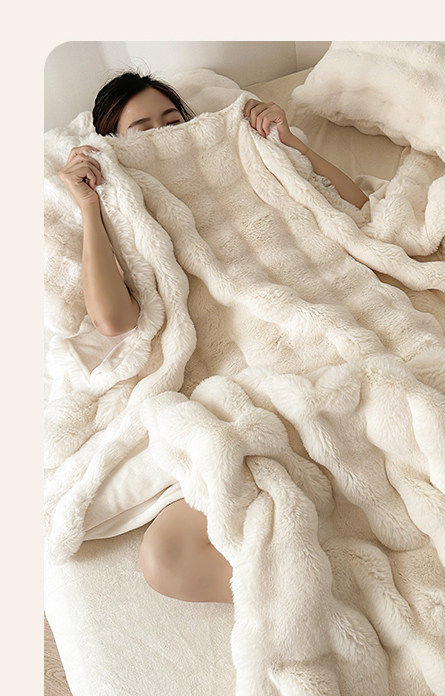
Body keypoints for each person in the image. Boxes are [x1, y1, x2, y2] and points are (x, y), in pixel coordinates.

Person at [56, 72, 370, 604]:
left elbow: (357, 211)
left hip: (317, 319)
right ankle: (340, 591)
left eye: (173, 121)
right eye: (141, 131)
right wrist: (89, 206)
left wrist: (290, 145)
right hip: (231, 364)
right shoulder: (118, 203)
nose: (163, 136)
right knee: (168, 557)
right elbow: (112, 321)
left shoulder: (237, 157)